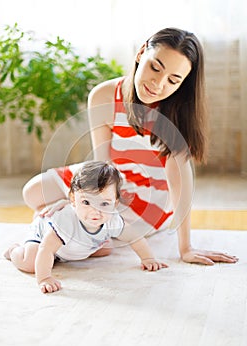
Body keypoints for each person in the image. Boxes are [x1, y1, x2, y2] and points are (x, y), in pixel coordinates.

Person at [22, 27, 238, 266]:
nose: (158, 84)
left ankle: (81, 237)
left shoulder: (177, 113)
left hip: (151, 194)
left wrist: (185, 248)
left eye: (173, 80)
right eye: (155, 67)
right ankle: (72, 230)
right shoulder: (103, 95)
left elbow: (180, 183)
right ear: (141, 53)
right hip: (113, 178)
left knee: (114, 233)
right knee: (33, 191)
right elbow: (101, 163)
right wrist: (80, 200)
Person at [4, 161, 167, 294]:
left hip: (72, 246)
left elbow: (134, 237)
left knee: (107, 248)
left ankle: (70, 252)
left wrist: (148, 258)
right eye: (86, 202)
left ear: (115, 203)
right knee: (32, 262)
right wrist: (44, 278)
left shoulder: (112, 219)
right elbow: (46, 249)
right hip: (44, 238)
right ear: (73, 200)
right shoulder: (66, 221)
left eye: (104, 203)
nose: (95, 210)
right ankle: (14, 251)